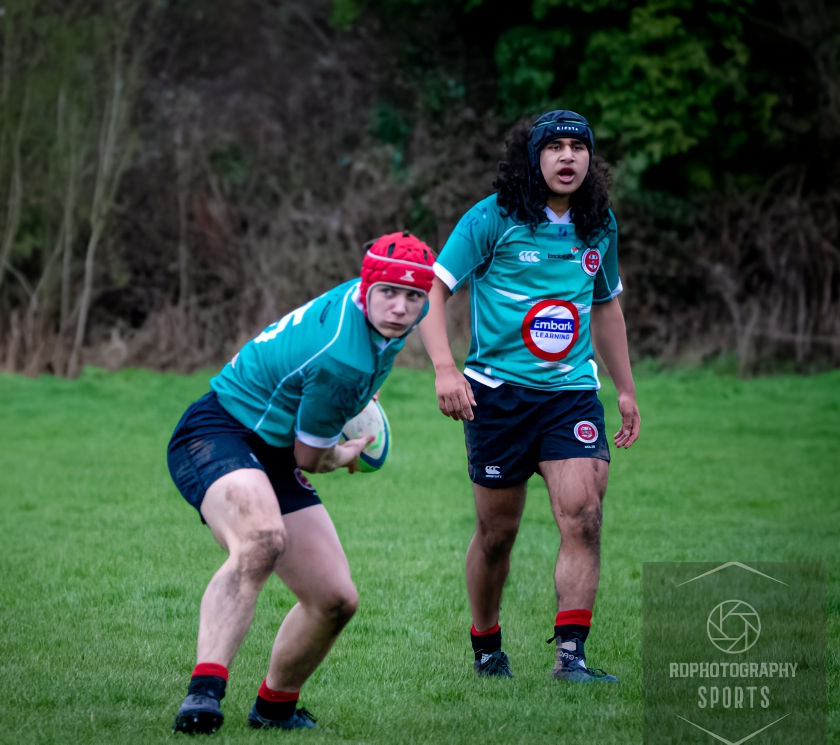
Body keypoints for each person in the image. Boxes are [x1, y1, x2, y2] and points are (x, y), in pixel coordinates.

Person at [166, 232, 436, 734]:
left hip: (273, 444)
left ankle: (274, 709)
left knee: (336, 598)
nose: (400, 308)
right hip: (220, 431)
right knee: (261, 542)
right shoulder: (344, 356)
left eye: (413, 297)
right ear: (367, 286)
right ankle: (202, 695)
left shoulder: (369, 314)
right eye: (389, 293)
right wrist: (344, 453)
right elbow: (310, 457)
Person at [418, 110, 640, 683]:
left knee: (584, 515)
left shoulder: (599, 223)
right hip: (496, 398)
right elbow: (433, 293)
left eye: (578, 148)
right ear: (534, 158)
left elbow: (607, 304)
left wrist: (625, 390)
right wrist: (446, 369)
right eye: (556, 147)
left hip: (570, 395)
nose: (568, 158)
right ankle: (487, 644)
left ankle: (572, 657)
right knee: (498, 535)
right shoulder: (492, 219)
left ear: (591, 160)